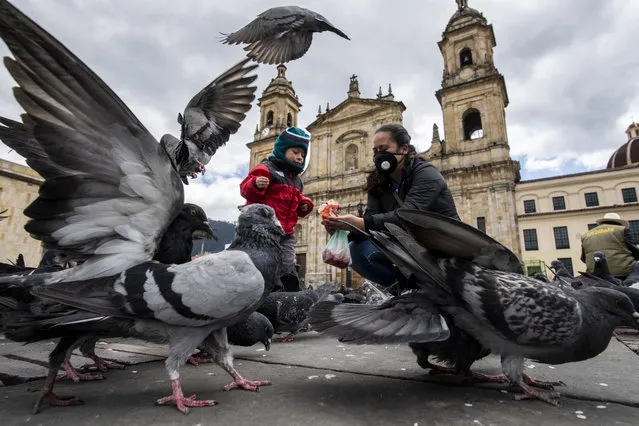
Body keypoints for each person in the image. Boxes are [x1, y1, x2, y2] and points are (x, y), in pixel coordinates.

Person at [322, 123, 459, 292]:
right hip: (408, 246)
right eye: (375, 151)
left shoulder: (426, 173)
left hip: (442, 247)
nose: (379, 155)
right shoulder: (378, 182)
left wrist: (359, 223)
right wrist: (343, 230)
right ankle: (408, 291)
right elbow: (371, 224)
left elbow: (409, 217)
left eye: (384, 148)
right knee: (357, 251)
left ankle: (429, 289)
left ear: (403, 149)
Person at [240, 127, 314, 291]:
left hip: (287, 231)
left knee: (289, 261)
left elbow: (297, 200)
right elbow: (245, 189)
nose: (299, 157)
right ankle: (261, 288)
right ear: (282, 149)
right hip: (264, 229)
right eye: (295, 152)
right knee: (262, 260)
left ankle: (288, 289)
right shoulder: (266, 169)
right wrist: (255, 184)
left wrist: (305, 204)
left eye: (302, 155)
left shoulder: (296, 180)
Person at [581, 212, 639, 279]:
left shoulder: (585, 235)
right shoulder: (622, 230)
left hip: (594, 275)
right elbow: (636, 252)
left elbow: (583, 258)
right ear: (618, 223)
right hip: (623, 273)